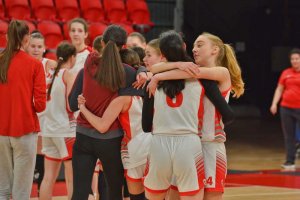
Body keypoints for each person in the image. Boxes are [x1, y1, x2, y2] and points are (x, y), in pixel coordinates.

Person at [146, 31, 244, 200]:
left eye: (200, 45)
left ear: (214, 50)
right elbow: (154, 68)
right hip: (189, 146)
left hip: (211, 145)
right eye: (193, 46)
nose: (194, 49)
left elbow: (162, 71)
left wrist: (158, 77)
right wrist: (171, 68)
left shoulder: (221, 72)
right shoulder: (189, 73)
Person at [71, 25, 147, 200]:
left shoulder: (90, 61)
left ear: (102, 42)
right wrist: (142, 71)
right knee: (114, 192)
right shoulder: (126, 72)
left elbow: (94, 53)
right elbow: (141, 78)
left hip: (83, 136)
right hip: (110, 141)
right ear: (124, 47)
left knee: (79, 193)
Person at [142, 30, 206, 200]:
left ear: (162, 54)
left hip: (159, 143)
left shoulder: (154, 78)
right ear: (184, 47)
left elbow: (145, 126)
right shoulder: (200, 75)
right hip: (188, 142)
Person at [77, 68, 149, 200]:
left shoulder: (122, 99)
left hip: (135, 149)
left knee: (136, 196)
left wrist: (82, 108)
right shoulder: (150, 90)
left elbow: (102, 126)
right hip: (154, 145)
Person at [0, 20, 46, 200]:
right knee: (21, 192)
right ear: (27, 39)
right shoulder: (34, 65)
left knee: (2, 188)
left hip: (1, 130)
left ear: (6, 37)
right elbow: (41, 105)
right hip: (25, 128)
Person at [39, 42, 77, 200]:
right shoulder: (68, 74)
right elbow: (71, 105)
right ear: (73, 57)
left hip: (48, 130)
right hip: (65, 131)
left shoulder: (49, 73)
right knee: (71, 177)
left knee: (48, 178)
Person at [26, 31, 57, 194]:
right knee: (28, 156)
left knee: (43, 154)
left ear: (44, 48)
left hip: (47, 117)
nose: (36, 49)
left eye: (39, 46)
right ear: (27, 46)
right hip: (27, 115)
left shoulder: (51, 65)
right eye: (33, 46)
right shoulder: (22, 64)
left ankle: (40, 191)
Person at [270, 48, 300, 170]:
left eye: (297, 58)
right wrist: (274, 104)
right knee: (289, 136)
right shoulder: (286, 73)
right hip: (286, 108)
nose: (294, 61)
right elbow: (279, 89)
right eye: (292, 59)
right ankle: (290, 161)